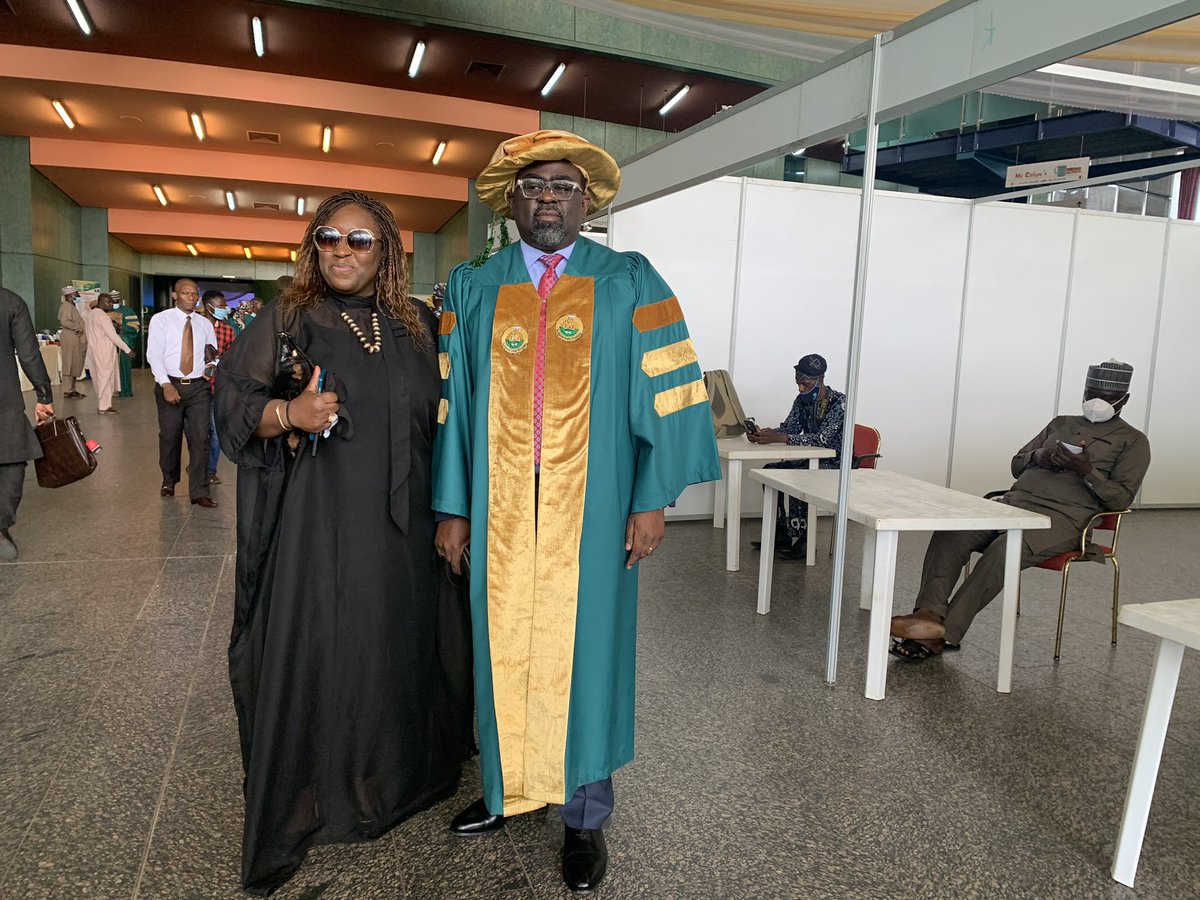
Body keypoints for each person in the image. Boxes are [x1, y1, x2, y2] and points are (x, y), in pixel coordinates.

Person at [433, 130, 721, 893]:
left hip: (592, 508)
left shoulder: (629, 279)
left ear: (586, 200)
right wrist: (454, 506)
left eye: (563, 184)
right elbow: (453, 407)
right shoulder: (474, 285)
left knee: (588, 653)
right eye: (534, 185)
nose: (550, 196)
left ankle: (585, 818)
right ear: (511, 202)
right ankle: (505, 790)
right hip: (496, 509)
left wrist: (653, 497)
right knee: (499, 647)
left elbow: (672, 392)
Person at [215, 190, 472, 895]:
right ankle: (319, 792)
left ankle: (396, 776)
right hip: (323, 522)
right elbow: (229, 400)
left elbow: (453, 419)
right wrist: (284, 412)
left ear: (386, 249)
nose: (341, 251)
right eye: (328, 237)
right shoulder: (290, 318)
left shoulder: (418, 324)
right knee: (332, 645)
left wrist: (454, 512)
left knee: (398, 640)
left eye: (360, 240)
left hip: (413, 522)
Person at [890, 359, 1152, 660]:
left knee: (1004, 549)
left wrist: (1087, 471)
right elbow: (1017, 464)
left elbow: (1121, 500)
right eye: (1091, 392)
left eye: (1105, 397)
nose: (1096, 401)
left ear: (1124, 400)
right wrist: (1039, 456)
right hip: (1014, 504)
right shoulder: (1060, 423)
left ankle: (943, 634)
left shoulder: (1133, 442)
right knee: (953, 532)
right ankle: (927, 616)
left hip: (1062, 519)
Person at [748, 353, 846, 559]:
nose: (801, 388)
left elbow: (822, 439)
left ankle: (804, 541)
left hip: (838, 463)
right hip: (811, 460)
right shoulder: (801, 401)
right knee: (771, 473)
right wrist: (765, 435)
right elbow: (790, 428)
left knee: (798, 478)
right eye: (798, 383)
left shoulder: (839, 402)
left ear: (820, 380)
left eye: (805, 383)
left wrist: (781, 437)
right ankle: (781, 531)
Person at [145, 279, 218, 507]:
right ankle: (169, 480)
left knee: (200, 438)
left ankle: (199, 490)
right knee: (170, 436)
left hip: (198, 387)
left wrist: (211, 367)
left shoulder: (205, 324)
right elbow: (154, 354)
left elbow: (212, 354)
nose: (191, 297)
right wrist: (165, 384)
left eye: (195, 294)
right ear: (175, 296)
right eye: (186, 293)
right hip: (170, 384)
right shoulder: (161, 320)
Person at [1, 288, 55, 561]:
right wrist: (44, 395)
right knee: (11, 461)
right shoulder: (10, 302)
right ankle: (0, 526)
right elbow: (29, 354)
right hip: (5, 402)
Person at [200, 289, 236, 484]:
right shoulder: (195, 326)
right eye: (220, 306)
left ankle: (210, 470)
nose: (224, 310)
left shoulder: (227, 330)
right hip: (196, 388)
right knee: (196, 432)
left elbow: (232, 358)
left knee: (215, 432)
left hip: (217, 388)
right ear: (209, 306)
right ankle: (199, 464)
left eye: (224, 306)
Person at [83, 292, 133, 415]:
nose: (111, 304)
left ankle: (104, 404)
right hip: (104, 350)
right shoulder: (102, 316)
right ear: (100, 302)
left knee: (99, 378)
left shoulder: (91, 314)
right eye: (108, 302)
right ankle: (104, 406)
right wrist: (127, 349)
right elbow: (113, 336)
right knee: (106, 378)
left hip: (93, 349)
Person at [109, 289, 140, 397]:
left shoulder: (128, 311)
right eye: (112, 300)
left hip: (123, 343)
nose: (114, 301)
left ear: (120, 299)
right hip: (108, 345)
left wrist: (121, 327)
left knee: (123, 368)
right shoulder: (105, 311)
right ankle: (111, 389)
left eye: (116, 299)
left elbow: (135, 326)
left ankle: (125, 390)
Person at [57, 285, 87, 399]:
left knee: (75, 362)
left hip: (76, 338)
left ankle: (72, 389)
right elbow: (65, 321)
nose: (78, 295)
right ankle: (67, 390)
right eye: (77, 293)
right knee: (69, 363)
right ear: (71, 295)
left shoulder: (72, 306)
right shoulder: (66, 306)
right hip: (70, 338)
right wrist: (77, 327)